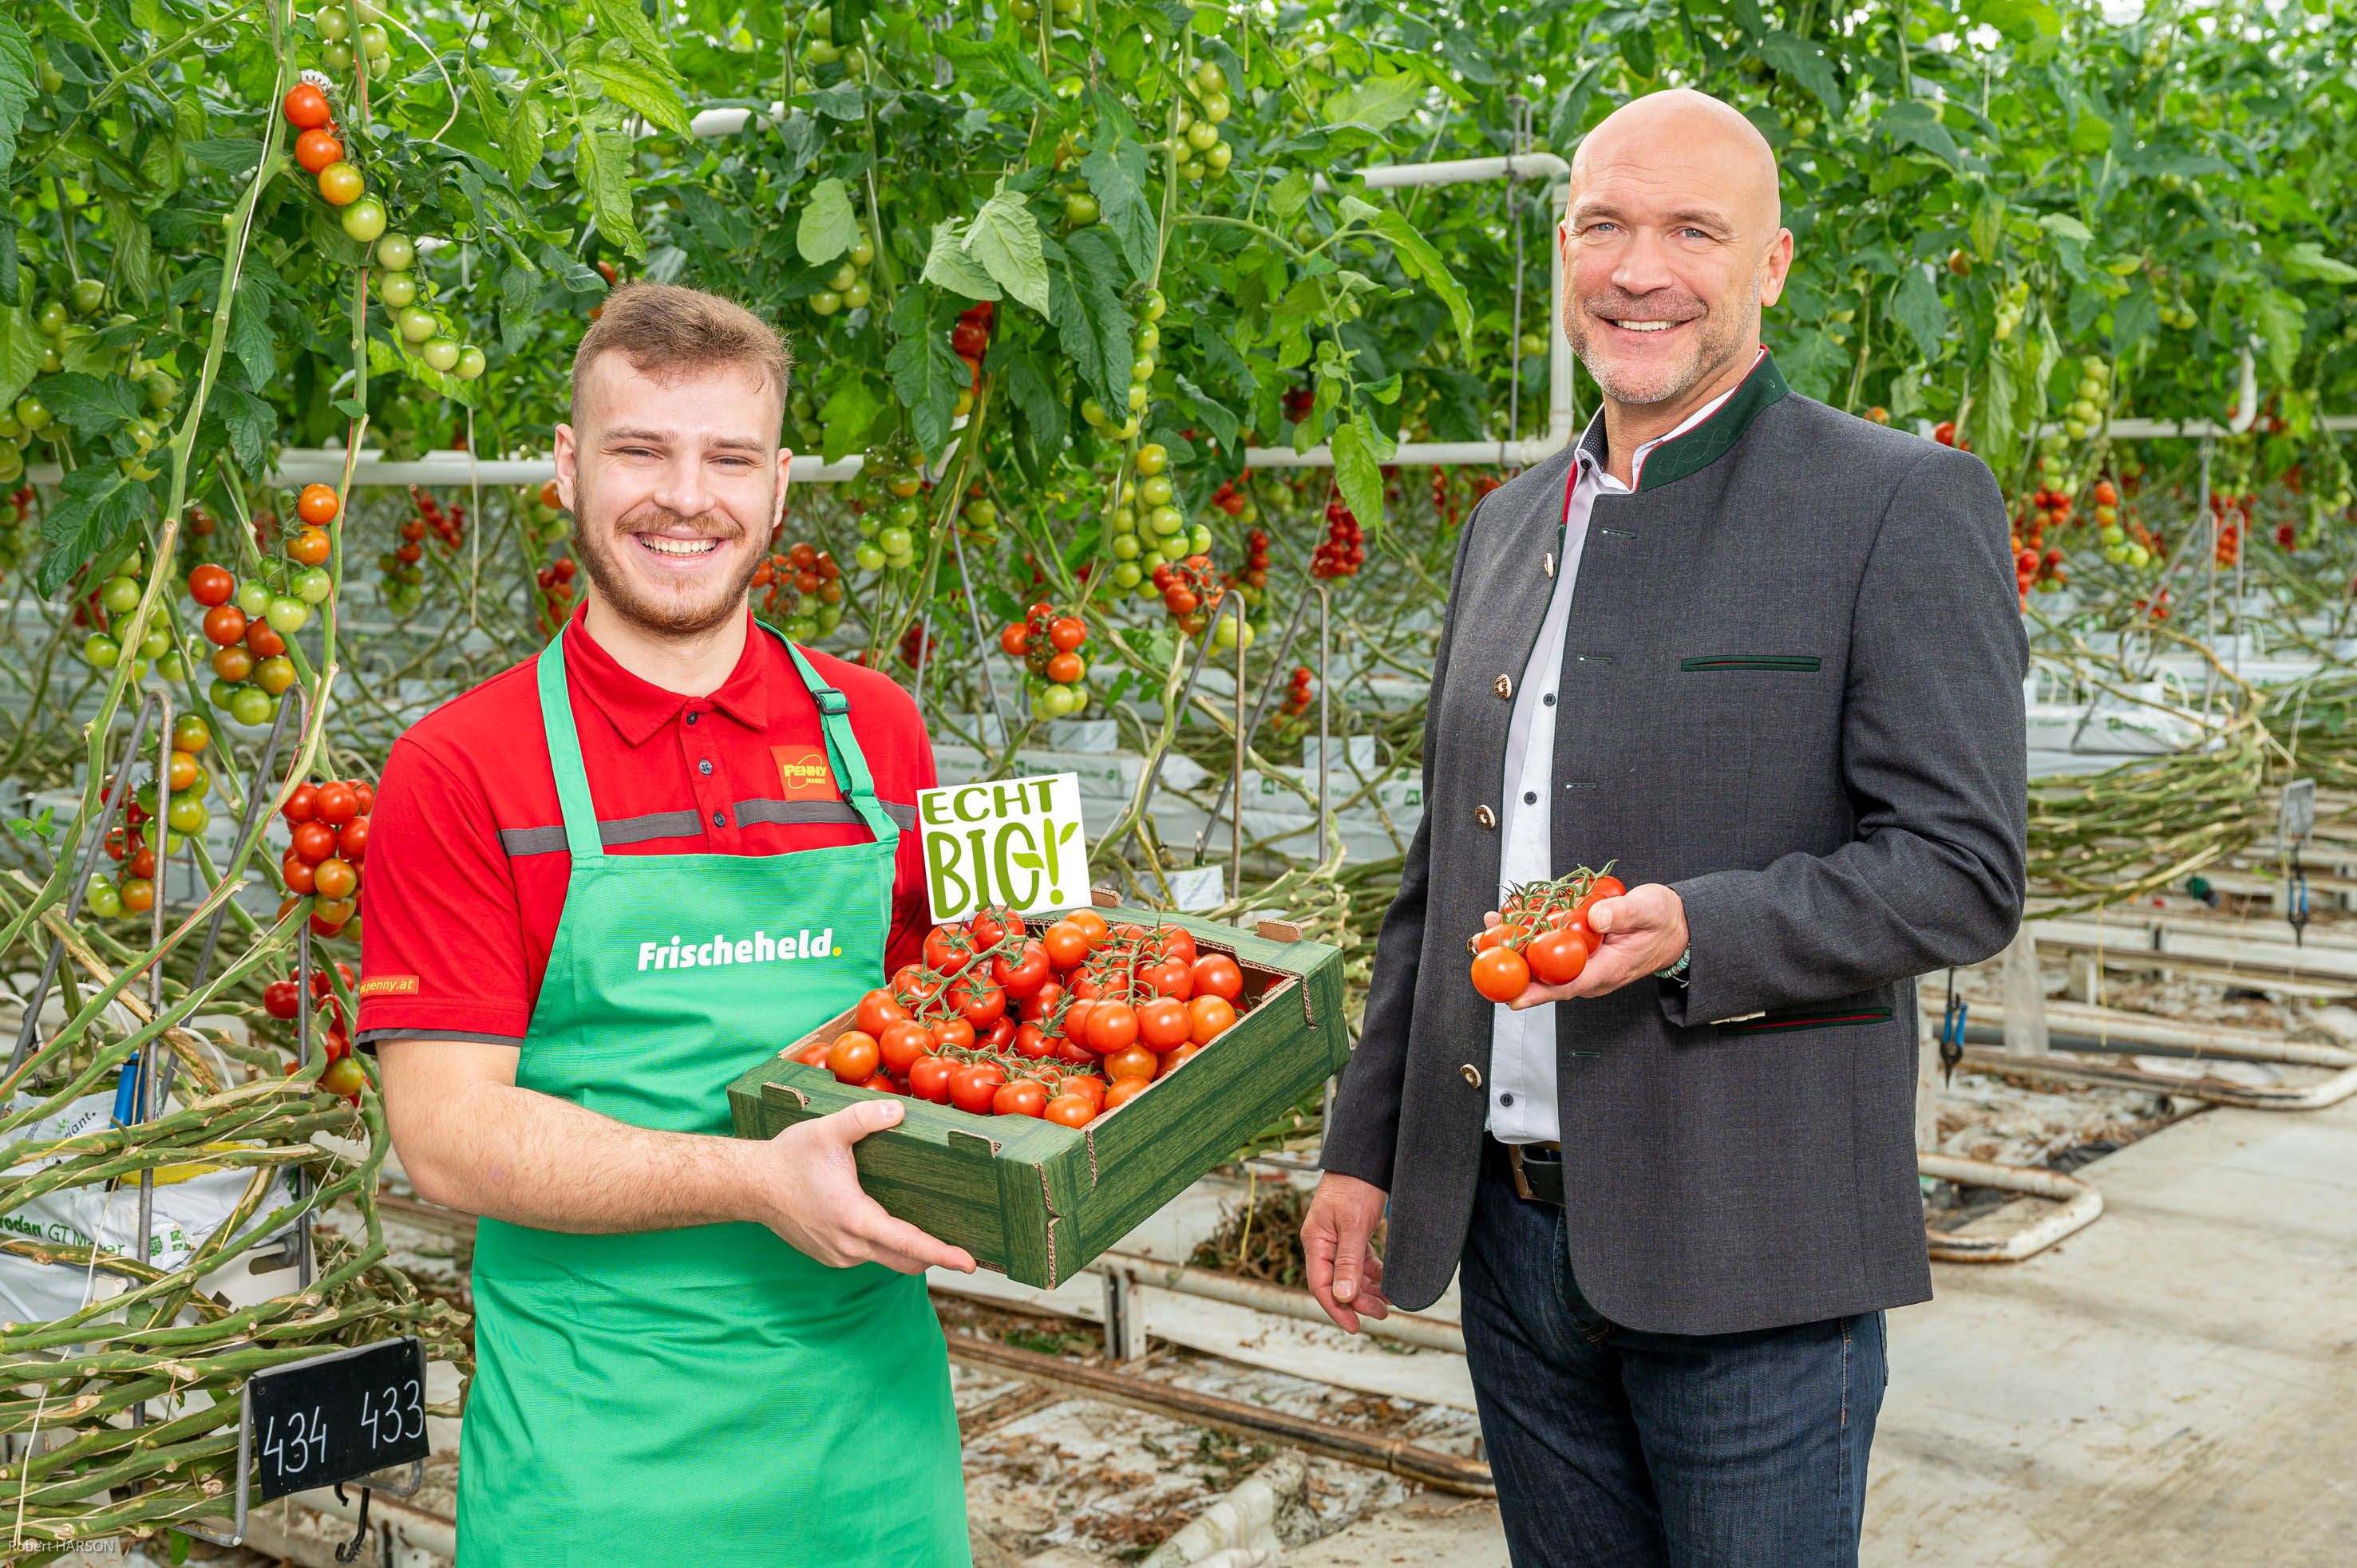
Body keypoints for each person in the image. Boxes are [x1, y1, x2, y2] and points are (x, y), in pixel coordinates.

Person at [1301, 89, 2027, 1567]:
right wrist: (1363, 1145)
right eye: (1604, 226)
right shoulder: (1508, 524)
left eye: (1693, 230)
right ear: (1563, 246)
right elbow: (1446, 878)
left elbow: (1960, 873)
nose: (1642, 269)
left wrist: (1702, 926)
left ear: (1768, 265)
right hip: (1506, 1239)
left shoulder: (1893, 501)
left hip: (1748, 1237)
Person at [358, 282, 976, 1566]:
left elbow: (973, 1018)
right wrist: (754, 1183)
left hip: (873, 1454)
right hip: (603, 1465)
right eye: (640, 448)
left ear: (781, 485)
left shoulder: (881, 730)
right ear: (567, 468)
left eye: (727, 457)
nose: (685, 497)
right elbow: (448, 1137)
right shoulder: (463, 765)